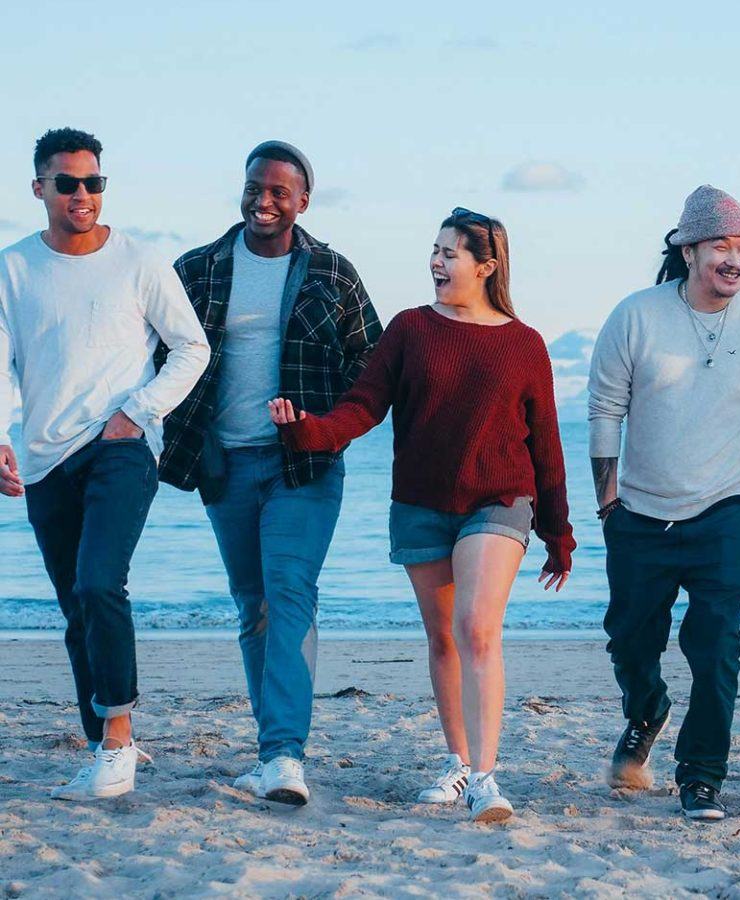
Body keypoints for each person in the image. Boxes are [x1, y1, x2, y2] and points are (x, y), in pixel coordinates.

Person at [268, 208, 574, 823]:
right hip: (420, 504)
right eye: (434, 250)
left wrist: (557, 532)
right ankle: (458, 763)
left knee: (477, 630)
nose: (437, 261)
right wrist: (308, 430)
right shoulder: (409, 329)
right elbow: (362, 408)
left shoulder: (524, 342)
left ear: (487, 266)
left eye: (451, 253)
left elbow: (545, 440)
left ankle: (487, 778)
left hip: (499, 498)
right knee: (443, 639)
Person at [588, 185, 740, 822]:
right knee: (629, 641)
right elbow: (605, 410)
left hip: (726, 510)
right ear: (689, 249)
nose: (736, 259)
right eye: (723, 246)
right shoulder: (636, 315)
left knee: (716, 644)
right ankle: (647, 711)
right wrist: (607, 502)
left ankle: (701, 776)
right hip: (639, 515)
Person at [160, 141, 382, 806]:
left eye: (279, 192)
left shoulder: (332, 272)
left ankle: (284, 755)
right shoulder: (196, 269)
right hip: (223, 464)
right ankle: (273, 748)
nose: (263, 201)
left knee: (289, 595)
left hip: (303, 464)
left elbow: (370, 365)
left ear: (303, 201)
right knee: (253, 608)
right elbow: (153, 353)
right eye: (255, 187)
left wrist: (319, 421)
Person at [0, 128, 209, 799]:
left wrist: (139, 412)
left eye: (94, 183)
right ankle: (102, 748)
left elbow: (191, 348)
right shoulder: (13, 268)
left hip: (121, 447)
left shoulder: (139, 261)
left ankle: (117, 741)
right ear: (40, 190)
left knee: (99, 584)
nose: (82, 195)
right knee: (75, 610)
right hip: (43, 458)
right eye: (67, 183)